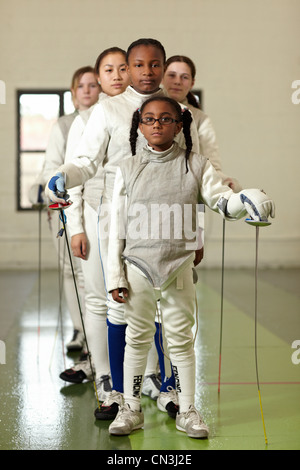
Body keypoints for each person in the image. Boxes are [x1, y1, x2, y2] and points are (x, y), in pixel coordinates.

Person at [106, 96, 275, 438]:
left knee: (181, 342)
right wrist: (114, 275)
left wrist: (245, 201)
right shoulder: (127, 167)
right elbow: (116, 226)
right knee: (137, 340)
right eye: (150, 119)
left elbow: (219, 200)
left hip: (178, 268)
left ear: (179, 124)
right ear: (139, 125)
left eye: (166, 118)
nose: (157, 124)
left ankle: (187, 410)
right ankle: (131, 408)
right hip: (137, 266)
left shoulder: (196, 164)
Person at [46, 39, 188, 420]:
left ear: (162, 67)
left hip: (160, 222)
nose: (145, 72)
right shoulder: (106, 110)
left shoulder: (178, 111)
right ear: (128, 68)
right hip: (108, 216)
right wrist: (65, 175)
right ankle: (110, 383)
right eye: (136, 65)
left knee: (163, 306)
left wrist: (196, 230)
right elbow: (85, 162)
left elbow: (190, 174)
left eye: (153, 65)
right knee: (108, 300)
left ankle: (159, 380)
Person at [59, 47, 131, 402]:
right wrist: (75, 226)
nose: (117, 75)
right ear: (100, 78)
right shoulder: (86, 120)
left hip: (135, 218)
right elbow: (74, 173)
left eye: (122, 68)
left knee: (135, 300)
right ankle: (104, 376)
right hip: (95, 212)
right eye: (109, 70)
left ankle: (138, 376)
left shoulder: (145, 111)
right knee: (98, 298)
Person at [30, 66, 101, 352]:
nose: (86, 90)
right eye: (80, 86)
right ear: (73, 94)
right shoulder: (63, 125)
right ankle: (79, 330)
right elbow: (51, 167)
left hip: (96, 205)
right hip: (65, 208)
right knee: (72, 272)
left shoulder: (109, 119)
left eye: (92, 84)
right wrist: (49, 189)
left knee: (96, 273)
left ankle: (99, 335)